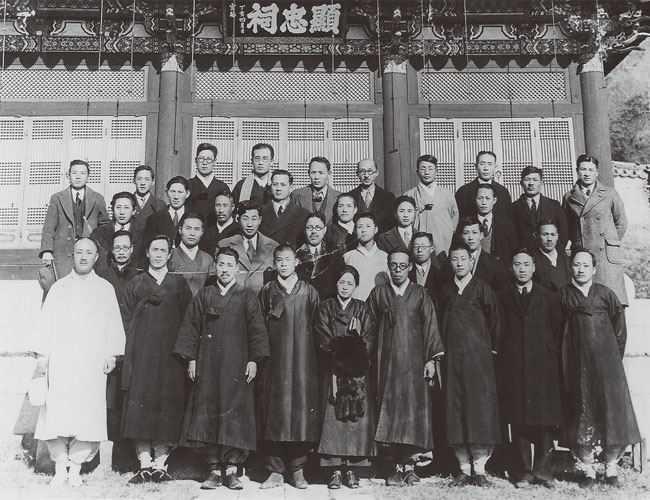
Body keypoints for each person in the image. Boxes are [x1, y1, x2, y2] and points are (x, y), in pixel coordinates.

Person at [28, 237, 125, 487]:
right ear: (72, 255)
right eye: (79, 252)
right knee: (58, 413)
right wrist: (43, 358)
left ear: (96, 257)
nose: (83, 256)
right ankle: (60, 467)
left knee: (87, 414)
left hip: (91, 362)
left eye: (88, 252)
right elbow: (45, 324)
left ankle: (76, 468)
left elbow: (113, 324)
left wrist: (111, 355)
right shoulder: (59, 288)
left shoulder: (105, 289)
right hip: (62, 360)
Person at [174, 247, 270, 491]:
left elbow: (257, 330)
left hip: (237, 368)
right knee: (208, 413)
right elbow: (191, 327)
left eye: (229, 265)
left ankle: (232, 469)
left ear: (237, 268)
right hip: (207, 366)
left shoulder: (247, 296)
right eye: (221, 264)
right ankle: (214, 468)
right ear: (215, 266)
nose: (225, 269)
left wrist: (254, 360)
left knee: (235, 416)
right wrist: (191, 359)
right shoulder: (204, 295)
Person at [558, 249, 641, 488]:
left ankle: (611, 469)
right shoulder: (563, 295)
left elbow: (620, 331)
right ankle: (588, 471)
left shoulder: (606, 294)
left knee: (612, 415)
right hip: (577, 366)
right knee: (582, 413)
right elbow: (557, 330)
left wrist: (611, 359)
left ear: (594, 269)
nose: (581, 269)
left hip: (607, 367)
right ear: (571, 268)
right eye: (577, 265)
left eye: (586, 265)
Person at [364, 250, 444, 487]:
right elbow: (368, 328)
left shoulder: (420, 293)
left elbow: (430, 326)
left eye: (402, 266)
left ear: (410, 267)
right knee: (389, 412)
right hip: (386, 364)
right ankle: (393, 467)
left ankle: (410, 466)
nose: (398, 270)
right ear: (388, 267)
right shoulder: (378, 293)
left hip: (414, 364)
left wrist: (431, 360)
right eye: (393, 265)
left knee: (412, 413)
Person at [120, 235, 193, 484]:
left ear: (169, 254)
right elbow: (126, 320)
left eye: (163, 250)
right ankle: (144, 463)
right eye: (155, 249)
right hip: (141, 357)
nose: (159, 254)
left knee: (167, 407)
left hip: (171, 359)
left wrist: (184, 354)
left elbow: (189, 320)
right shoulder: (136, 284)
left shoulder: (179, 284)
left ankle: (161, 463)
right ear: (147, 253)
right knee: (140, 406)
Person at [496, 249, 563, 488]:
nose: (522, 269)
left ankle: (544, 471)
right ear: (511, 268)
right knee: (518, 418)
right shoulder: (502, 297)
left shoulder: (549, 297)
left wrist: (549, 354)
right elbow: (498, 331)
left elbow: (557, 330)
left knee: (544, 419)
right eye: (517, 264)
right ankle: (522, 471)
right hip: (513, 367)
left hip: (542, 366)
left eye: (526, 264)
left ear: (534, 267)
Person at [438, 242, 501, 487]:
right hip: (453, 362)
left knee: (480, 410)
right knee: (456, 410)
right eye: (455, 259)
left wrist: (489, 351)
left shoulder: (482, 288)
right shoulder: (446, 291)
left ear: (471, 261)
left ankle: (480, 468)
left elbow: (495, 321)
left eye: (463, 259)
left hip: (479, 362)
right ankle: (464, 468)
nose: (459, 263)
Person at [258, 244, 321, 489]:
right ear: (274, 264)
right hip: (275, 364)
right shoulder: (267, 291)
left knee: (301, 415)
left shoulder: (309, 291)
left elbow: (317, 324)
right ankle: (274, 471)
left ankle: (297, 469)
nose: (283, 264)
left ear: (296, 262)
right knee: (274, 414)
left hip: (304, 363)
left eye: (288, 259)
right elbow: (259, 327)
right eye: (279, 260)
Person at [313, 265, 377, 489]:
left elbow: (369, 339)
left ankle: (352, 469)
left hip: (357, 374)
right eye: (342, 282)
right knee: (333, 420)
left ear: (356, 286)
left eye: (350, 283)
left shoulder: (362, 308)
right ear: (336, 284)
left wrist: (351, 342)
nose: (345, 287)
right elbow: (322, 337)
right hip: (333, 370)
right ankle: (333, 470)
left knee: (355, 421)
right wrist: (350, 344)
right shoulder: (325, 307)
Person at [95, 229, 141, 470]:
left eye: (125, 248)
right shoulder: (102, 276)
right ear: (111, 251)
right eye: (117, 248)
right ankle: (103, 455)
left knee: (128, 398)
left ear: (132, 249)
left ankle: (127, 456)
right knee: (109, 400)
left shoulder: (140, 275)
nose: (121, 252)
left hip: (133, 343)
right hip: (109, 344)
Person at [562, 154, 629, 305]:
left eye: (591, 170)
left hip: (606, 255)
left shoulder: (610, 193)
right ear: (577, 171)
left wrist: (609, 242)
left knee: (612, 301)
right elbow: (567, 227)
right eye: (583, 169)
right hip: (583, 253)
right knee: (585, 303)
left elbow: (621, 223)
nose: (587, 173)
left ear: (597, 172)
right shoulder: (569, 197)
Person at [40, 159, 111, 277]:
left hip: (87, 253)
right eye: (74, 173)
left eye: (82, 173)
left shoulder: (97, 198)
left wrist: (101, 250)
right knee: (64, 284)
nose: (78, 177)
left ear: (88, 177)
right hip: (63, 253)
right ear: (68, 175)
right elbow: (49, 227)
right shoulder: (57, 198)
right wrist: (47, 251)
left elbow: (105, 226)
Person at [217, 200, 278, 295]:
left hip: (263, 301)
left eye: (254, 219)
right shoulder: (224, 245)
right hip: (234, 299)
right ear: (238, 219)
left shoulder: (273, 246)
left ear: (260, 220)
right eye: (245, 219)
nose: (250, 224)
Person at [404, 155, 458, 255]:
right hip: (418, 244)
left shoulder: (446, 194)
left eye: (430, 168)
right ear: (417, 172)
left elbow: (454, 217)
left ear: (436, 171)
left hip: (442, 242)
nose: (427, 172)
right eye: (423, 169)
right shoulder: (409, 195)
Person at [512, 166, 568, 251]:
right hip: (524, 256)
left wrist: (554, 253)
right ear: (521, 183)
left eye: (535, 180)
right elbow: (511, 236)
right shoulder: (513, 208)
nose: (531, 183)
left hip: (550, 254)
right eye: (527, 179)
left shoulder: (554, 206)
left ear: (542, 182)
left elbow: (564, 233)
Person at [446, 216, 508, 292]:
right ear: (460, 236)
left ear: (481, 235)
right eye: (466, 233)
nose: (470, 238)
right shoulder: (452, 262)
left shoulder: (493, 264)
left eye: (474, 233)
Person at [141, 176, 191, 263]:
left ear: (187, 194)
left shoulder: (193, 218)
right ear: (166, 193)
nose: (176, 196)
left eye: (180, 192)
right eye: (172, 191)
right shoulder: (154, 218)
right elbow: (147, 247)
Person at [341, 213, 389, 300]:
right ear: (355, 231)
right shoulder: (347, 257)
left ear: (376, 229)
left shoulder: (386, 257)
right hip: (355, 306)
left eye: (368, 226)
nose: (364, 230)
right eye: (360, 227)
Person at [92, 192, 141, 277]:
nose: (122, 212)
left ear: (134, 211)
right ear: (112, 209)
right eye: (118, 207)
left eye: (126, 208)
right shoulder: (98, 233)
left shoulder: (142, 233)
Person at [455, 151, 512, 220]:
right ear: (476, 166)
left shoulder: (503, 192)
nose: (486, 168)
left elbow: (508, 219)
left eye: (490, 164)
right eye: (482, 164)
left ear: (495, 167)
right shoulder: (463, 191)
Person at [259, 169, 310, 247]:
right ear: (271, 186)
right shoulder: (260, 212)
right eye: (275, 184)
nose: (278, 188)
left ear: (291, 187)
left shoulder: (303, 214)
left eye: (283, 185)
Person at [295, 213, 339, 299]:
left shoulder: (334, 254)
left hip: (328, 304)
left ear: (324, 230)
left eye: (318, 227)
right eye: (309, 227)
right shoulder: (296, 256)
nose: (313, 231)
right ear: (305, 230)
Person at [346, 159, 395, 233]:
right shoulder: (350, 196)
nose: (366, 175)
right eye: (362, 171)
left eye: (370, 171)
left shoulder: (388, 197)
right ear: (357, 173)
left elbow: (391, 224)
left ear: (376, 173)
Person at [169, 212, 213, 296]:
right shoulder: (170, 256)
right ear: (180, 230)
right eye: (188, 228)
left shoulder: (208, 260)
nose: (192, 233)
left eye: (196, 229)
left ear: (202, 232)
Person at [187, 143, 230, 225]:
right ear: (196, 160)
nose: (205, 163)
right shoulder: (188, 185)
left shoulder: (222, 187)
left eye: (209, 159)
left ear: (214, 162)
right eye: (201, 158)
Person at [290, 156, 341, 224]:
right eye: (313, 172)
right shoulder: (296, 195)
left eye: (321, 173)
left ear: (329, 174)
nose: (317, 177)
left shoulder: (339, 197)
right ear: (308, 173)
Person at [475, 184, 518, 263]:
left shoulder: (506, 225)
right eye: (480, 198)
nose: (483, 202)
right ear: (475, 199)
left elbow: (513, 251)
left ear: (494, 200)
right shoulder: (468, 224)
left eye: (488, 198)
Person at [533, 219, 571, 292]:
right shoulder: (534, 261)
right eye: (545, 234)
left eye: (553, 234)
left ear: (557, 236)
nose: (549, 239)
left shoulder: (566, 260)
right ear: (536, 236)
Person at [199, 191, 240, 257]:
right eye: (218, 205)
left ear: (232, 207)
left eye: (225, 205)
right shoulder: (207, 232)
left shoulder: (238, 231)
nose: (221, 210)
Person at [408, 231, 445, 304]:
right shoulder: (406, 273)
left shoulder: (441, 274)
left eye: (423, 247)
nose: (419, 250)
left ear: (431, 249)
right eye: (416, 246)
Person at [132, 165, 166, 235]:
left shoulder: (160, 205)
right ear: (134, 181)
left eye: (147, 179)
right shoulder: (127, 203)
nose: (143, 183)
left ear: (152, 182)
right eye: (139, 179)